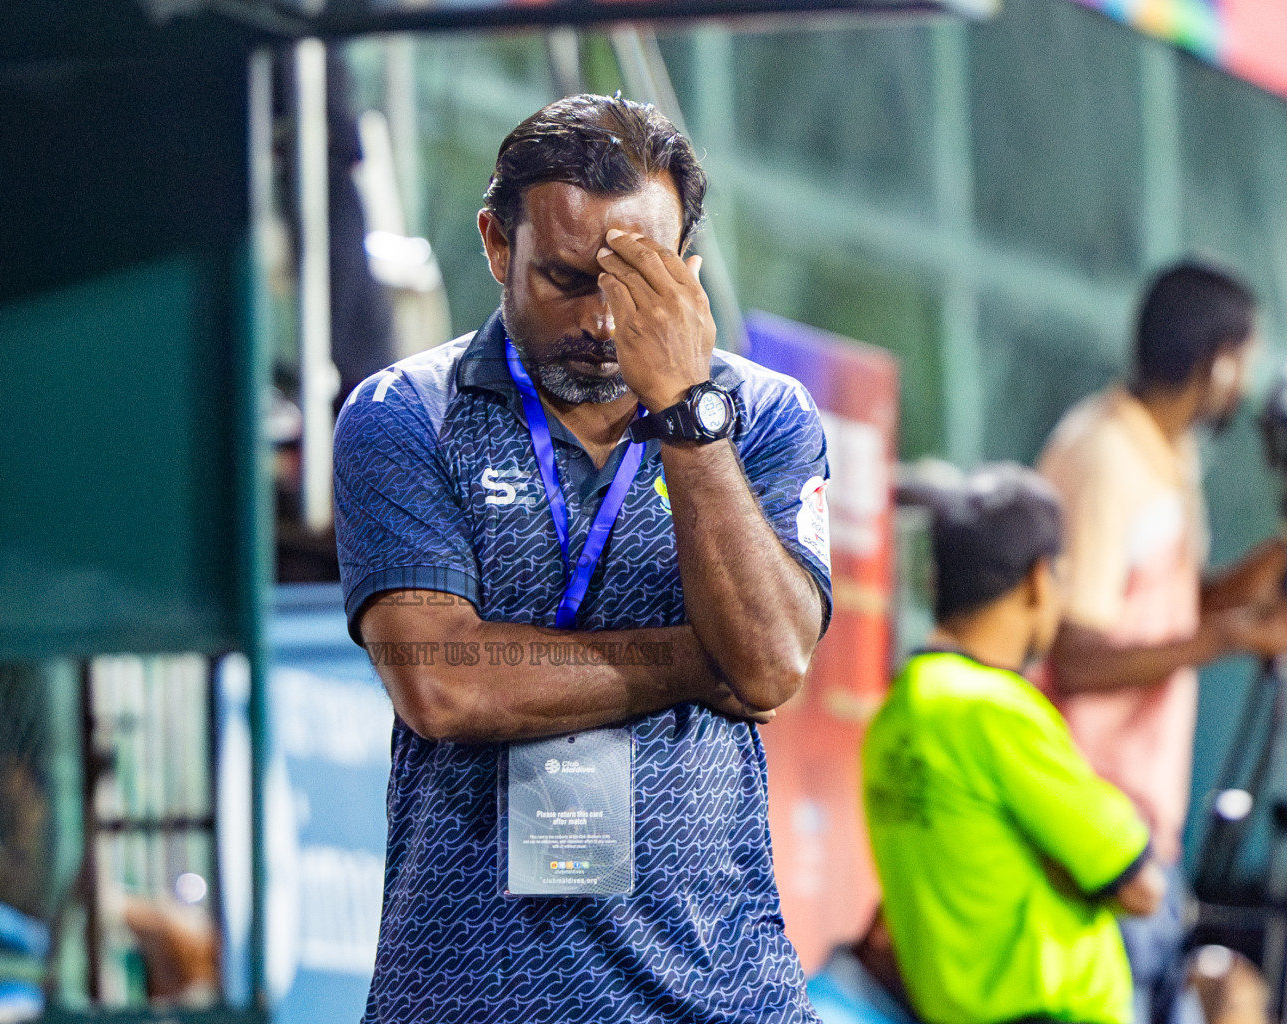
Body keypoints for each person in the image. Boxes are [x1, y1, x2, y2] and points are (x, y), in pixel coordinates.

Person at [333, 94, 831, 1022]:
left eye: (638, 283)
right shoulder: (403, 415)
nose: (606, 324)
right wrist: (697, 658)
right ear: (495, 244)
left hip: (717, 995)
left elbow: (767, 663)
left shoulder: (761, 418)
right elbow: (444, 683)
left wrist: (685, 407)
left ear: (685, 265)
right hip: (465, 997)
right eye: (569, 279)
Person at [1037, 262, 1287, 1024]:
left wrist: (1264, 567)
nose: (1246, 387)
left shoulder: (1166, 457)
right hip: (1088, 822)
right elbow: (1072, 655)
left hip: (1143, 826)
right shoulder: (1106, 457)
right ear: (1217, 361)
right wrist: (1230, 637)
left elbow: (1165, 613)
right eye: (1245, 358)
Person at [863, 464, 1167, 1024]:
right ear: (1038, 581)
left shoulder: (895, 715)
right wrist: (1060, 860)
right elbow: (1140, 884)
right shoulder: (993, 709)